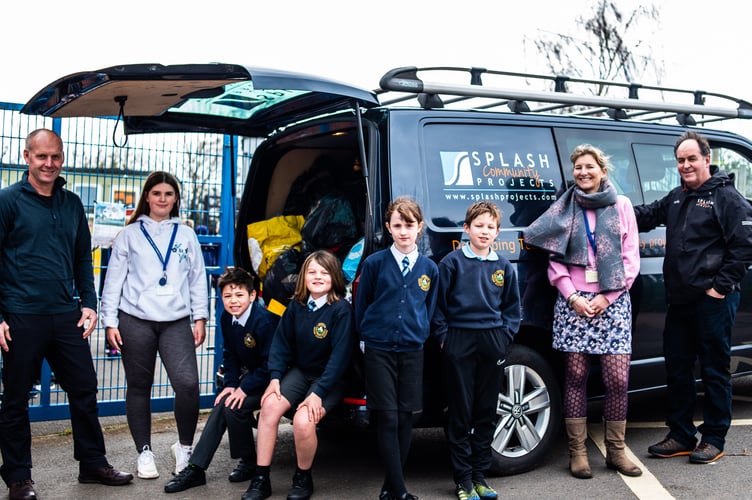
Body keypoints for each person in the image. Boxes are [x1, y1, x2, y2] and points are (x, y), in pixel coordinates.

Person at [0, 128, 133, 500]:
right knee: (15, 399)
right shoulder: (8, 201)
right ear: (27, 157)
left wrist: (89, 303)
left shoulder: (72, 204)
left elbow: (81, 259)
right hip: (21, 315)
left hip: (66, 314)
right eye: (41, 156)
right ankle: (18, 478)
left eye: (55, 156)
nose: (49, 164)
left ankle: (92, 463)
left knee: (85, 389)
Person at [523, 144, 641, 479]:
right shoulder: (564, 207)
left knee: (617, 380)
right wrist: (573, 296)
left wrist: (608, 295)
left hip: (612, 302)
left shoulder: (621, 206)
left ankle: (616, 453)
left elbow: (630, 257)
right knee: (575, 378)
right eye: (577, 168)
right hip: (573, 302)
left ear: (603, 171)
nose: (583, 172)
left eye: (590, 167)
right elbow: (554, 259)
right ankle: (577, 454)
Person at [634, 131, 752, 465]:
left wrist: (719, 288)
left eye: (691, 159)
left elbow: (744, 246)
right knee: (678, 368)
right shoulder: (676, 197)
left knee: (715, 370)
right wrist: (609, 202)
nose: (685, 165)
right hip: (681, 301)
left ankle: (714, 438)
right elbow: (646, 215)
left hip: (712, 300)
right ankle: (682, 434)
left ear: (706, 159)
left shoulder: (726, 198)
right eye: (681, 160)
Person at [100, 171, 209, 479]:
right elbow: (113, 282)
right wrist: (110, 321)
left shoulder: (186, 234)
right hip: (135, 320)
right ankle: (144, 452)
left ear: (176, 199)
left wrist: (199, 317)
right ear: (146, 196)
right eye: (157, 193)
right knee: (138, 386)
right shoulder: (130, 234)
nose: (162, 199)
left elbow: (198, 278)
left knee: (187, 385)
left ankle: (184, 448)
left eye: (169, 194)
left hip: (175, 321)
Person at [242, 250, 356, 500]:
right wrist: (274, 379)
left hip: (329, 379)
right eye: (312, 272)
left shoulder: (341, 310)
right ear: (303, 277)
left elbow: (339, 360)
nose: (317, 277)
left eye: (324, 272)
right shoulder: (296, 306)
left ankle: (303, 477)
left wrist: (318, 393)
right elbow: (281, 345)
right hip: (302, 372)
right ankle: (261, 478)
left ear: (334, 277)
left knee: (304, 422)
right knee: (270, 407)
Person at [164, 266, 279, 493]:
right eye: (227, 296)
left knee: (234, 405)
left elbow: (271, 364)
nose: (233, 301)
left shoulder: (264, 321)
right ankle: (198, 468)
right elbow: (231, 355)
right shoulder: (228, 318)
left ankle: (240, 462)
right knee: (225, 402)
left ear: (252, 295)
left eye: (239, 295)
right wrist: (230, 385)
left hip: (273, 379)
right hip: (251, 377)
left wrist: (243, 388)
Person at [433, 201, 520, 500]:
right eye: (479, 226)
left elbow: (512, 307)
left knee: (485, 410)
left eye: (490, 227)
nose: (485, 232)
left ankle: (481, 477)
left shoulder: (503, 266)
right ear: (466, 229)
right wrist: (445, 337)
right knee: (460, 411)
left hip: (492, 340)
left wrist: (504, 337)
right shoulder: (452, 262)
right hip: (459, 339)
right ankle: (463, 480)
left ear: (497, 232)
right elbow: (439, 306)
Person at [354, 196, 440, 500]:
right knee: (387, 416)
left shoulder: (429, 268)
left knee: (406, 416)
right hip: (378, 347)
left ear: (420, 228)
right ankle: (400, 490)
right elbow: (362, 304)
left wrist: (419, 331)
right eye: (398, 225)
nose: (404, 231)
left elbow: (428, 308)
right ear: (389, 228)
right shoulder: (375, 264)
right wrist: (366, 335)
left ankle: (390, 487)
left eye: (410, 225)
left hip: (412, 349)